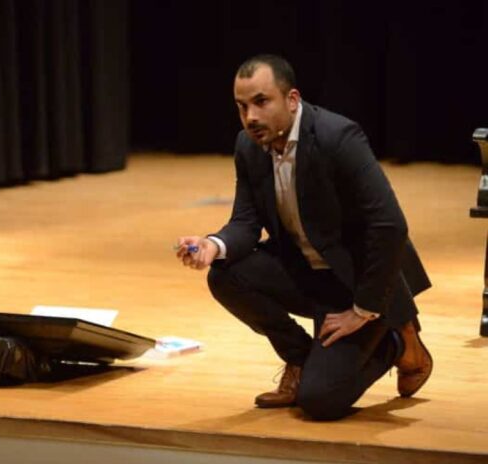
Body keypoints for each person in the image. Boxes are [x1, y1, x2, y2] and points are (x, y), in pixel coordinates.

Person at [175, 54, 433, 421]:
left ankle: (395, 343)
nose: (250, 117)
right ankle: (299, 359)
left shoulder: (337, 136)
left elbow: (389, 224)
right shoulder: (248, 146)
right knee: (224, 274)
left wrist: (362, 309)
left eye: (261, 102)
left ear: (292, 99)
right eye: (242, 106)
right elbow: (246, 222)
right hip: (307, 272)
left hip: (357, 281)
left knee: (320, 402)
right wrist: (211, 245)